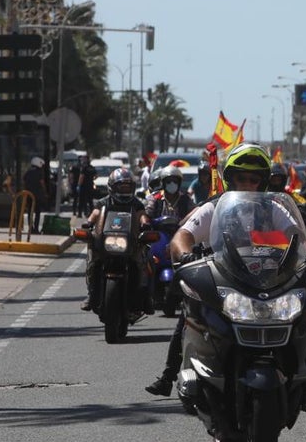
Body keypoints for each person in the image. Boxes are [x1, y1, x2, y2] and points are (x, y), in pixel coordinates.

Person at [145, 143, 271, 396]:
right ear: (230, 179)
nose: (247, 183)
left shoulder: (271, 210)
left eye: (253, 179)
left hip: (262, 284)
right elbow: (183, 236)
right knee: (189, 316)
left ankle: (302, 376)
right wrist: (186, 254)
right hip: (220, 281)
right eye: (241, 178)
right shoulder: (213, 207)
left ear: (262, 182)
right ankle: (169, 375)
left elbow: (298, 238)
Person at [80, 168, 151, 311]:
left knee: (140, 263)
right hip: (106, 241)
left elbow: (142, 214)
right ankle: (92, 295)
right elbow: (95, 213)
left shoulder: (136, 203)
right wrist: (89, 222)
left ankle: (143, 297)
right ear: (112, 187)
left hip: (130, 241)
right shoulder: (103, 202)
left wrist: (145, 222)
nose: (125, 190)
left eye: (128, 187)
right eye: (121, 187)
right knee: (94, 263)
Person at [22, 157, 48, 234]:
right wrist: (45, 192)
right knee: (37, 212)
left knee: (30, 212)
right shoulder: (39, 172)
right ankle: (36, 229)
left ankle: (31, 228)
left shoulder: (28, 172)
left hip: (29, 195)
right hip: (37, 195)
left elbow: (24, 181)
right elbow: (42, 183)